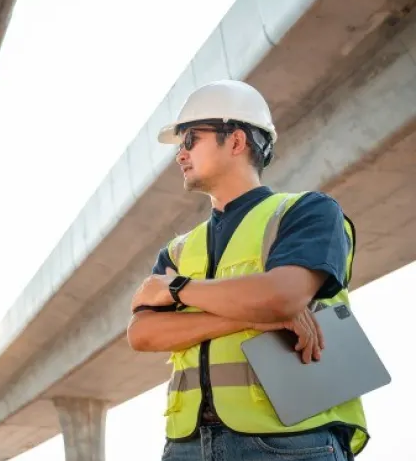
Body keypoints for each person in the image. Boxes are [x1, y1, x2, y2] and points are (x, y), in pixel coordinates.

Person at [126, 80, 369, 460]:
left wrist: (177, 288)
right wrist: (253, 319)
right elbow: (142, 333)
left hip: (291, 440)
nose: (180, 155)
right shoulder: (179, 248)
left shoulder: (306, 211)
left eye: (191, 139)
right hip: (187, 445)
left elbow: (282, 296)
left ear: (236, 141)